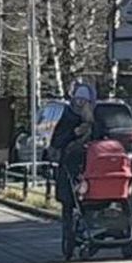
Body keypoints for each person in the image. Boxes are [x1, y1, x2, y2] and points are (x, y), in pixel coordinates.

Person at [49, 83, 97, 223]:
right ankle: (69, 232)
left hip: (90, 167)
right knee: (68, 202)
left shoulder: (95, 118)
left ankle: (88, 223)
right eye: (78, 100)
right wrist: (73, 133)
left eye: (84, 101)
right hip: (69, 166)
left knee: (90, 200)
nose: (80, 104)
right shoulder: (67, 116)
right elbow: (57, 141)